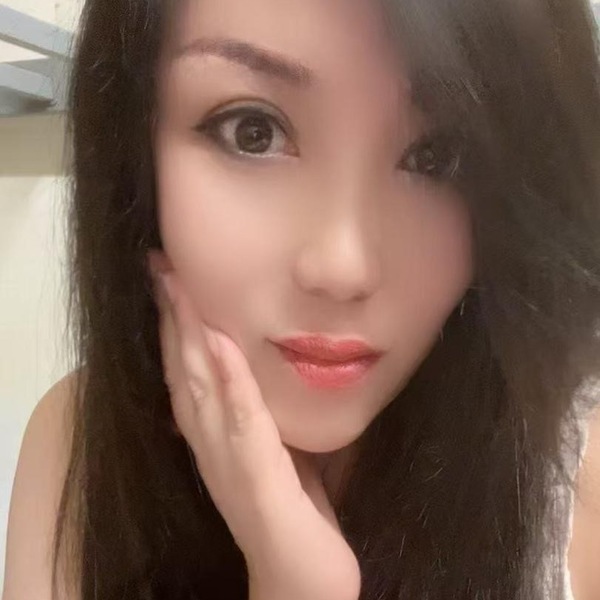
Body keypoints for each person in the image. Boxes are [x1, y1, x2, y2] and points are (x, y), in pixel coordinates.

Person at [3, 0, 600, 598]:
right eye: (253, 131)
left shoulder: (580, 484)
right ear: (137, 152)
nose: (343, 267)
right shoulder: (77, 439)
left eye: (437, 156)